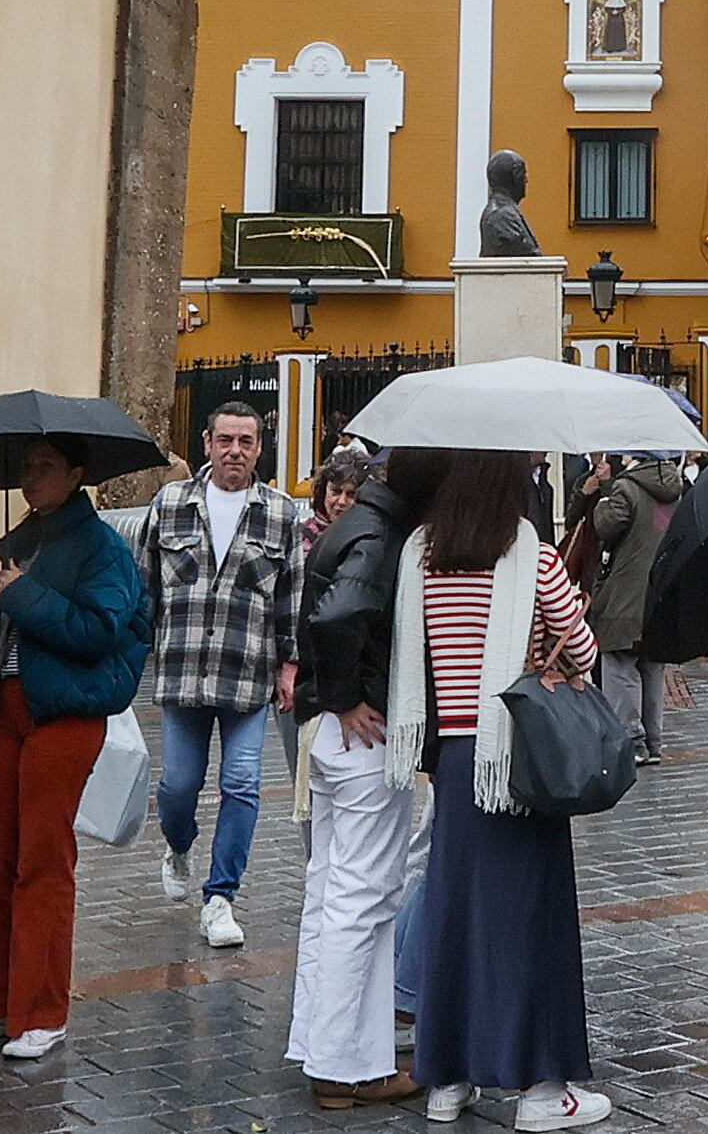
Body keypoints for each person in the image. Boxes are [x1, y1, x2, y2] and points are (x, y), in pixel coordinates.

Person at [391, 449, 609, 1132]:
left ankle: (447, 1080)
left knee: (455, 918)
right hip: (516, 759)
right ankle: (542, 1088)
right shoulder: (532, 554)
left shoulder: (421, 554)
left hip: (454, 758)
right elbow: (584, 649)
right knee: (531, 922)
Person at [0, 436, 152, 1062]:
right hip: (11, 711)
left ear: (75, 474)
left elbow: (99, 630)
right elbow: (27, 623)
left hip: (65, 713)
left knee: (42, 860)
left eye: (44, 466)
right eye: (26, 465)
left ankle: (42, 1012)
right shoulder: (27, 539)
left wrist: (25, 597)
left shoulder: (103, 548)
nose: (30, 476)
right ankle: (4, 1003)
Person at [291, 445, 424, 1109]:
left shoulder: (355, 524)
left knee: (334, 895)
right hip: (357, 730)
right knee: (362, 899)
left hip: (335, 731)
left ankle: (328, 1048)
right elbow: (339, 615)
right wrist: (345, 694)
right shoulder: (377, 534)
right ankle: (342, 1066)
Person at [146, 399, 304, 951]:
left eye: (246, 441)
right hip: (183, 670)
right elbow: (147, 589)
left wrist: (290, 664)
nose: (235, 450)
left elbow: (291, 598)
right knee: (178, 786)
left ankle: (221, 898)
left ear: (260, 449)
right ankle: (178, 843)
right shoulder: (170, 504)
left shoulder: (282, 514)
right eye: (225, 440)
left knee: (242, 783)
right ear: (207, 444)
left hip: (248, 673)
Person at [577, 452, 689, 764]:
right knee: (652, 665)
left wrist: (603, 496)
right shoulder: (675, 489)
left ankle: (630, 741)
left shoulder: (627, 488)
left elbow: (607, 526)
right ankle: (653, 741)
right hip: (658, 592)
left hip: (625, 594)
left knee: (618, 665)